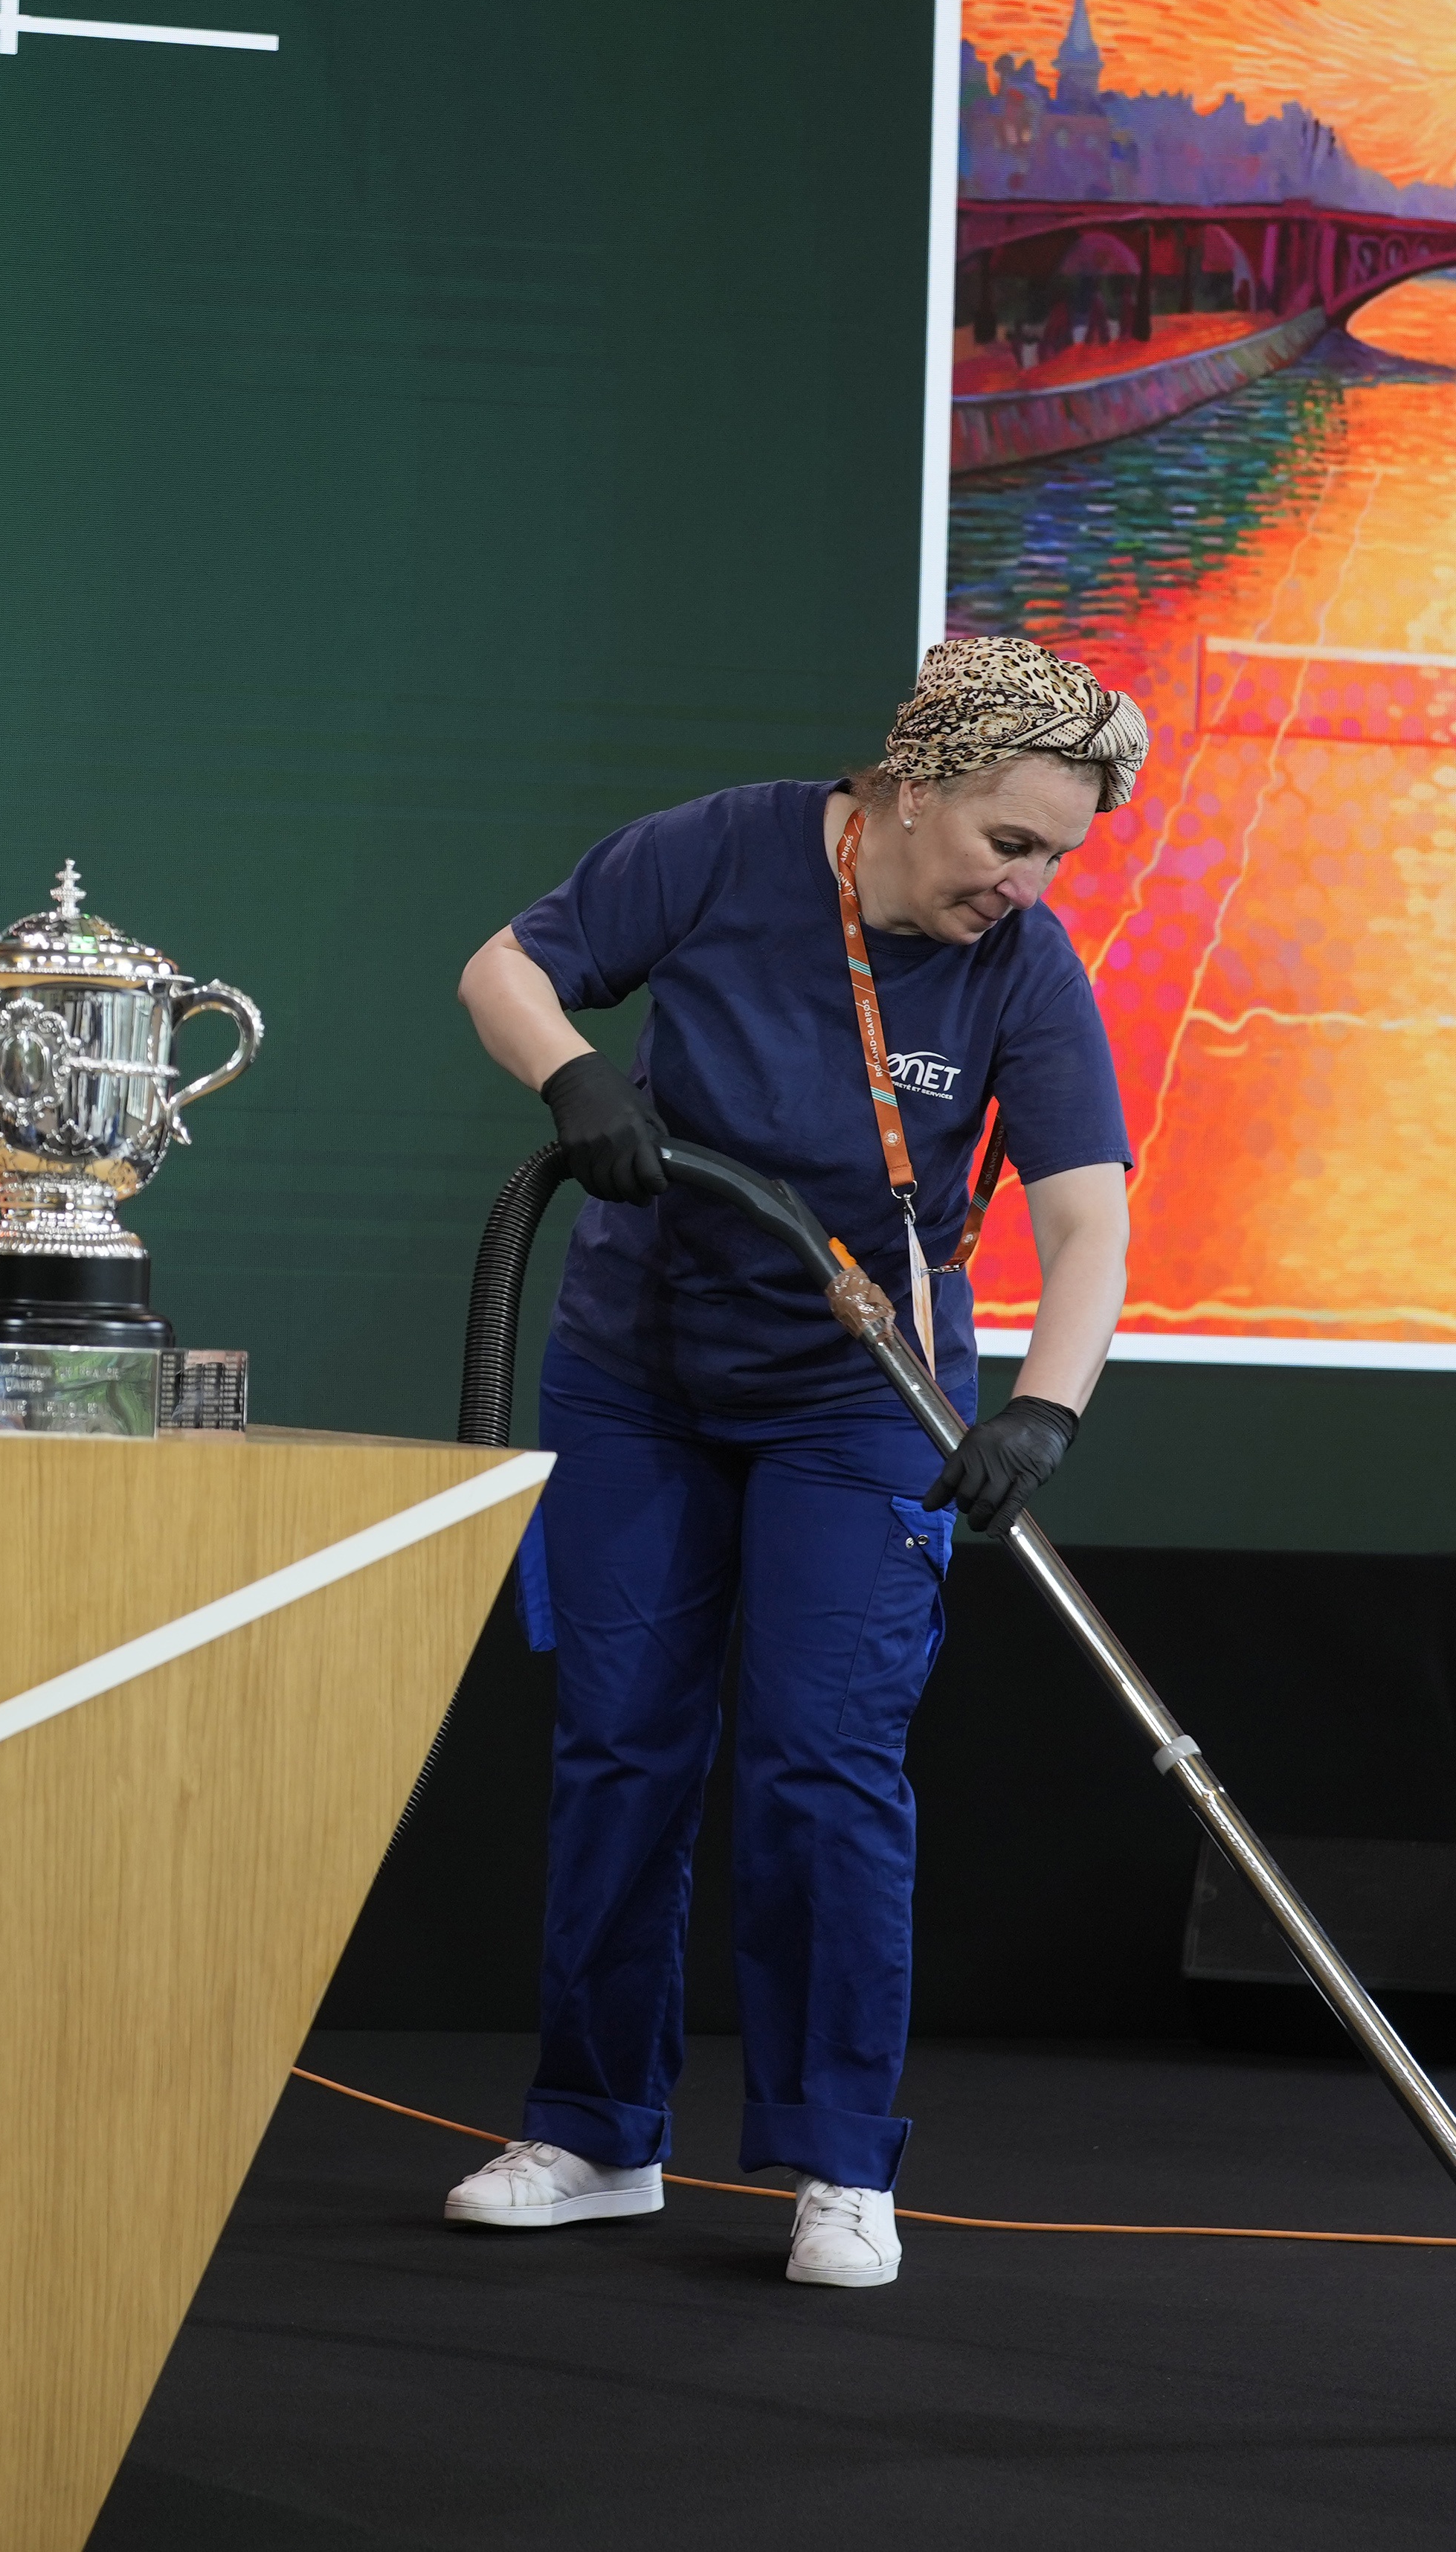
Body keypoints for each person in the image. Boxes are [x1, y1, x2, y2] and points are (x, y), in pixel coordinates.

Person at [439, 636, 1145, 2289]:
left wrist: (1043, 1410)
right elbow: (502, 968)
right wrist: (576, 1075)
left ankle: (838, 2161)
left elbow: (1083, 1219)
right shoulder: (721, 848)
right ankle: (595, 2133)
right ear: (909, 787)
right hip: (639, 1378)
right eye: (1009, 843)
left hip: (861, 1398)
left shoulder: (1023, 968)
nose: (1026, 885)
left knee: (825, 1764)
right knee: (622, 1747)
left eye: (1055, 857)